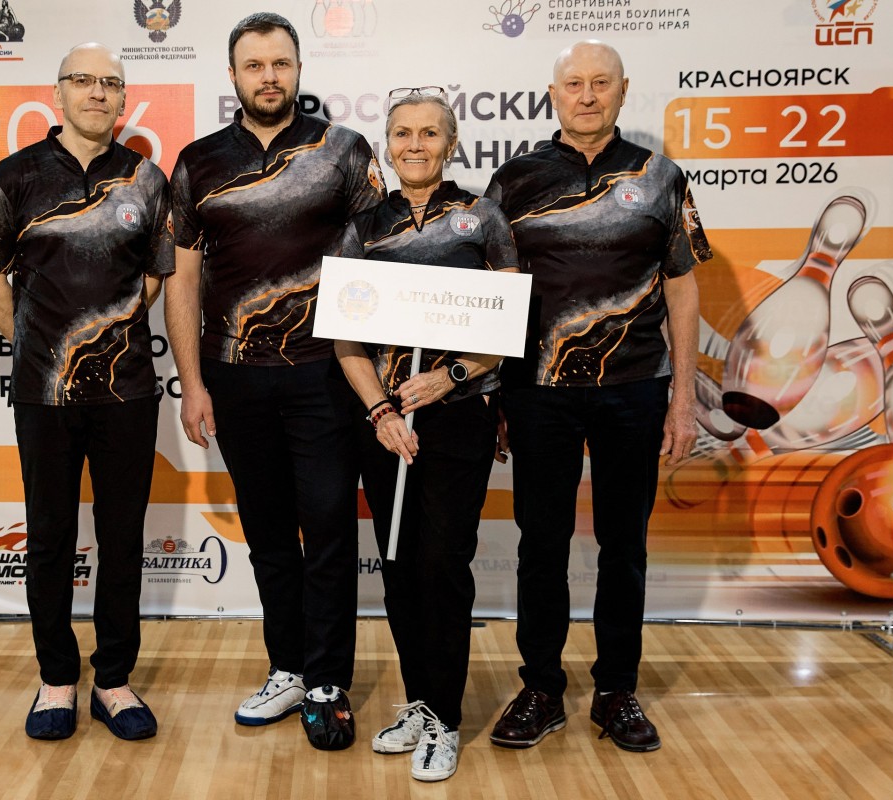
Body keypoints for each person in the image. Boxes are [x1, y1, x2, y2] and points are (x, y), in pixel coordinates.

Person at [164, 12, 383, 750]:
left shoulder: (343, 151)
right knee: (267, 536)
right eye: (254, 65)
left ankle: (326, 681)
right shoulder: (198, 162)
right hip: (234, 378)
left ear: (298, 70)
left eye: (280, 63)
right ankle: (287, 667)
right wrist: (193, 382)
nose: (268, 77)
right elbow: (182, 280)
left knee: (327, 530)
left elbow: (385, 253)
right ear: (233, 75)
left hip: (326, 374)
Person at [485, 40, 711, 753]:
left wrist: (683, 400)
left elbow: (682, 288)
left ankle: (616, 690)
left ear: (622, 90)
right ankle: (541, 688)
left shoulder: (660, 176)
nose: (587, 95)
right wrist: (493, 393)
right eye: (574, 83)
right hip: (537, 391)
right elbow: (491, 292)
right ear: (554, 94)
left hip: (635, 389)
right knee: (540, 546)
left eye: (601, 83)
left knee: (625, 547)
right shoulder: (513, 180)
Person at [0, 42, 173, 742]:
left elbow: (157, 275)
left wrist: (100, 339)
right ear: (57, 94)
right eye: (83, 81)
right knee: (51, 536)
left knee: (122, 538)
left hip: (127, 392)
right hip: (43, 395)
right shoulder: (14, 176)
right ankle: (56, 677)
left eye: (110, 83)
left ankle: (113, 680)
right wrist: (45, 344)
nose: (97, 92)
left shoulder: (146, 179)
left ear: (124, 99)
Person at [333, 87, 518, 781]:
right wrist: (381, 412)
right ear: (388, 145)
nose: (416, 144)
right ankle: (418, 700)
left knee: (442, 564)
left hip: (459, 416)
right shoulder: (362, 226)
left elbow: (507, 324)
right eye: (403, 133)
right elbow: (345, 339)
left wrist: (452, 376)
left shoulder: (482, 217)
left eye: (430, 133)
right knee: (400, 564)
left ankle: (445, 716)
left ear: (451, 143)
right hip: (384, 424)